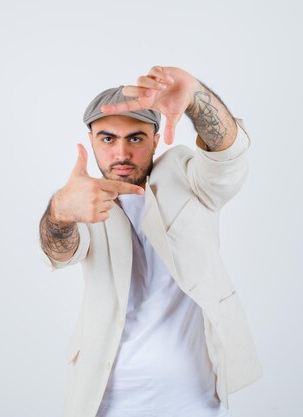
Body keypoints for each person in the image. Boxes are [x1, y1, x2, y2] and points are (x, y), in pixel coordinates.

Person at [38, 65, 263, 417]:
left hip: (194, 401)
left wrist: (195, 98)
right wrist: (60, 212)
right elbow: (58, 253)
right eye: (108, 139)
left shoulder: (187, 177)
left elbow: (227, 157)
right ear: (92, 140)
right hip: (105, 402)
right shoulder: (84, 199)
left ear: (156, 139)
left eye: (136, 138)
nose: (121, 153)